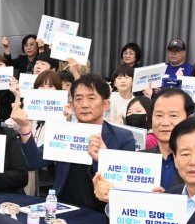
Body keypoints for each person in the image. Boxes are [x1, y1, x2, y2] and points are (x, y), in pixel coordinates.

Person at [15, 73, 137, 210]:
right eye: (78, 99)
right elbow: (34, 162)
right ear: (72, 105)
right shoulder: (64, 132)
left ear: (105, 105)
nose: (84, 105)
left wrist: (103, 158)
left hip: (102, 213)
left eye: (91, 98)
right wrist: (25, 127)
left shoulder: (123, 138)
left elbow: (124, 185)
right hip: (63, 209)